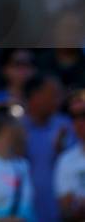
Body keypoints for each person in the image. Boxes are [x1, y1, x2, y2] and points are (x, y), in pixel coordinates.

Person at [22, 73, 75, 222]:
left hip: (62, 212)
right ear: (35, 96)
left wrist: (62, 151)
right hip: (25, 213)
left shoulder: (67, 126)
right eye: (53, 95)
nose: (58, 101)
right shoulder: (16, 129)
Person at [54, 90, 85, 221]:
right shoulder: (66, 160)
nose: (79, 122)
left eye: (84, 114)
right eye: (74, 116)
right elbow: (66, 212)